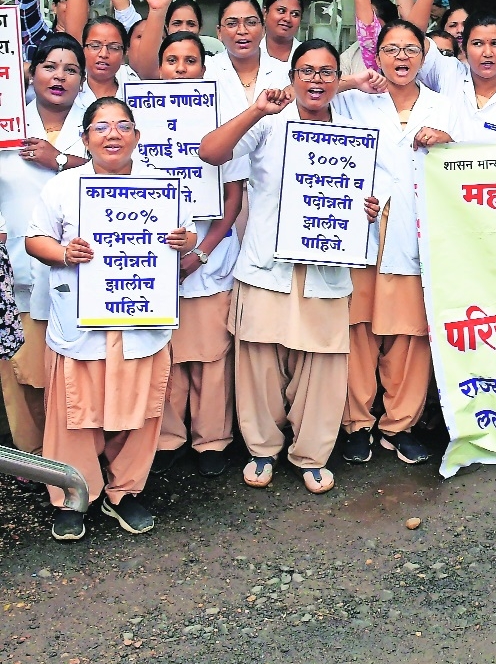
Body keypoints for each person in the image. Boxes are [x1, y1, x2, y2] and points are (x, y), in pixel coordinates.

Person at [198, 42, 380, 494]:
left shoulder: (355, 134)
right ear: (293, 77)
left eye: (326, 72)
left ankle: (312, 453)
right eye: (307, 71)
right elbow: (211, 152)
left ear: (339, 81)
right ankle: (262, 448)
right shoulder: (270, 124)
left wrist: (368, 211)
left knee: (322, 360)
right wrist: (255, 111)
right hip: (267, 263)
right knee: (259, 358)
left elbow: (367, 197)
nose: (316, 80)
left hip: (327, 263)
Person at [27, 96, 197, 540]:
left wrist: (183, 240)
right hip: (83, 324)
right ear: (85, 139)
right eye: (101, 127)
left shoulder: (160, 186)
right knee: (74, 414)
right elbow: (34, 240)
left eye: (123, 126)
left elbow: (188, 233)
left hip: (140, 319)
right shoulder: (64, 187)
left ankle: (126, 492)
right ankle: (72, 495)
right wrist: (65, 253)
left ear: (137, 137)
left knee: (138, 411)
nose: (113, 134)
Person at [334, 20, 438, 466]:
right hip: (361, 231)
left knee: (409, 335)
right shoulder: (353, 101)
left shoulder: (443, 106)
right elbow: (302, 95)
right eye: (391, 49)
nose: (401, 57)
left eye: (411, 49)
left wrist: (448, 141)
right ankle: (356, 423)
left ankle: (400, 424)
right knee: (357, 329)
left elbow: (473, 162)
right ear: (376, 55)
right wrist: (351, 79)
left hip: (416, 235)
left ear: (423, 56)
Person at [149, 31, 248, 479]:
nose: (181, 67)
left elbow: (233, 201)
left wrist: (202, 254)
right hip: (155, 264)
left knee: (210, 357)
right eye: (172, 59)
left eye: (190, 60)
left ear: (204, 71)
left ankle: (212, 440)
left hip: (210, 259)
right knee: (165, 357)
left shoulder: (223, 123)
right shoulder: (139, 126)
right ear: (159, 67)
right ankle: (167, 438)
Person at [0, 36, 91, 460]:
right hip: (17, 258)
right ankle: (31, 454)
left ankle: (72, 453)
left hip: (80, 269)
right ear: (30, 73)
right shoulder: (7, 121)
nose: (59, 76)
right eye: (49, 66)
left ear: (82, 79)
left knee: (70, 370)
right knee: (22, 369)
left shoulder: (95, 125)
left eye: (70, 69)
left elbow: (120, 173)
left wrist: (59, 159)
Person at [417, 12, 496, 145]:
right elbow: (413, 34)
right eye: (477, 44)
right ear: (464, 48)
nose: (487, 53)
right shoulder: (449, 72)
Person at [261, 0, 303, 64]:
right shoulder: (250, 53)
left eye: (295, 14)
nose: (287, 19)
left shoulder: (306, 55)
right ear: (265, 13)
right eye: (281, 11)